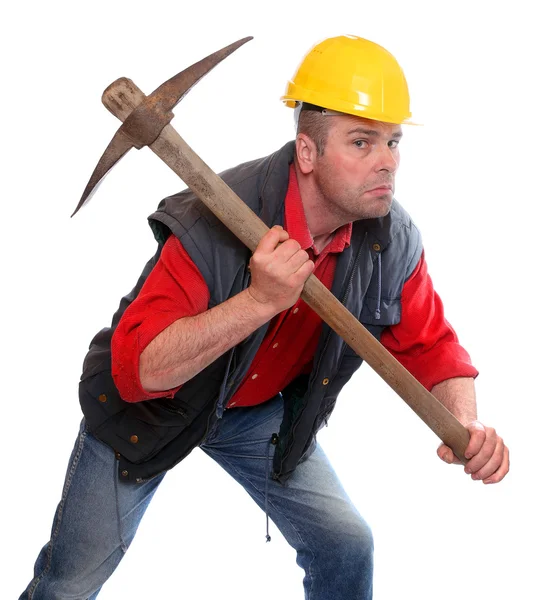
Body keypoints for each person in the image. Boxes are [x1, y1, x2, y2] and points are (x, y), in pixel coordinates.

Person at [20, 34, 509, 600]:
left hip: (257, 416)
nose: (388, 163)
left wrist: (465, 424)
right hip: (155, 410)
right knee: (68, 583)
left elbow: (433, 347)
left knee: (347, 545)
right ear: (307, 152)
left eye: (394, 142)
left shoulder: (388, 242)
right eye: (361, 141)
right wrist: (258, 300)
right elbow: (140, 372)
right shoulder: (210, 220)